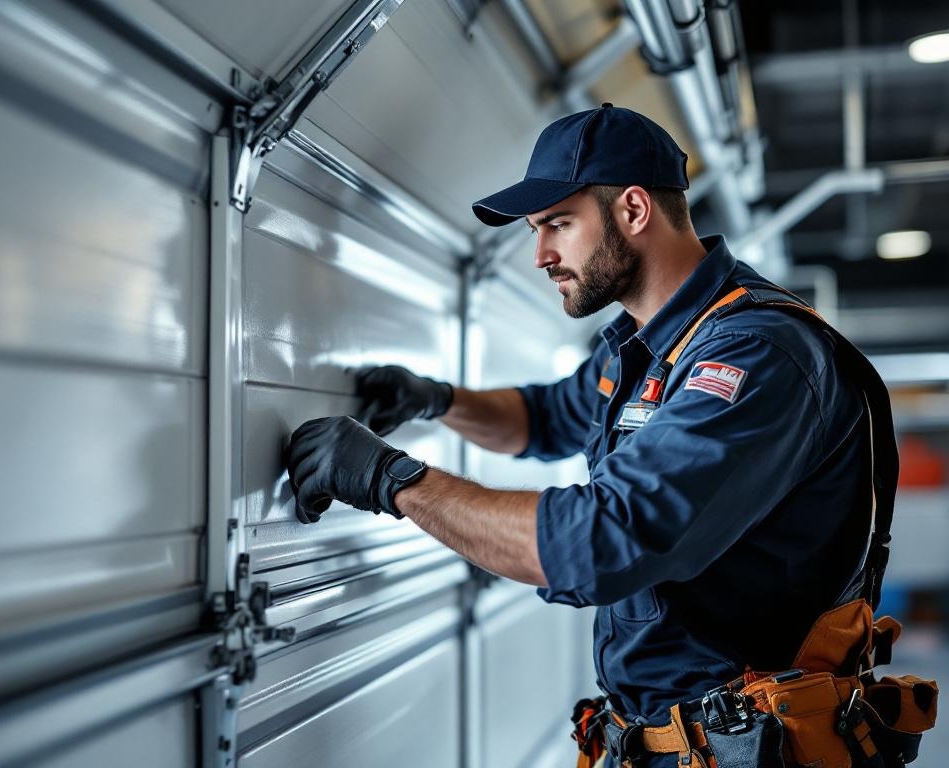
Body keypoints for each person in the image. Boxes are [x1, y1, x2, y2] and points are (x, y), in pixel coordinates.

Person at [285, 104, 877, 765]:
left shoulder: (755, 354)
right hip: (668, 743)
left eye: (558, 225)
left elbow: (601, 541)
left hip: (752, 746)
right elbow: (543, 418)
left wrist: (391, 480)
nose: (541, 255)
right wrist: (437, 399)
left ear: (633, 209)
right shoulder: (645, 346)